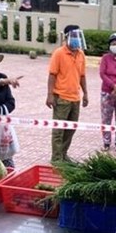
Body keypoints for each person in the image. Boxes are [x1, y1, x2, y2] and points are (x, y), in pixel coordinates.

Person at [46, 25, 88, 162]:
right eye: (73, 36)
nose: (76, 39)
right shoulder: (59, 53)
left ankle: (63, 154)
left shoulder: (81, 54)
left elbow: (82, 76)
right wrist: (50, 95)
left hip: (75, 98)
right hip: (61, 97)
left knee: (71, 129)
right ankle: (56, 159)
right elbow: (52, 75)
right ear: (67, 37)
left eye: (78, 36)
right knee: (59, 130)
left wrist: (85, 93)